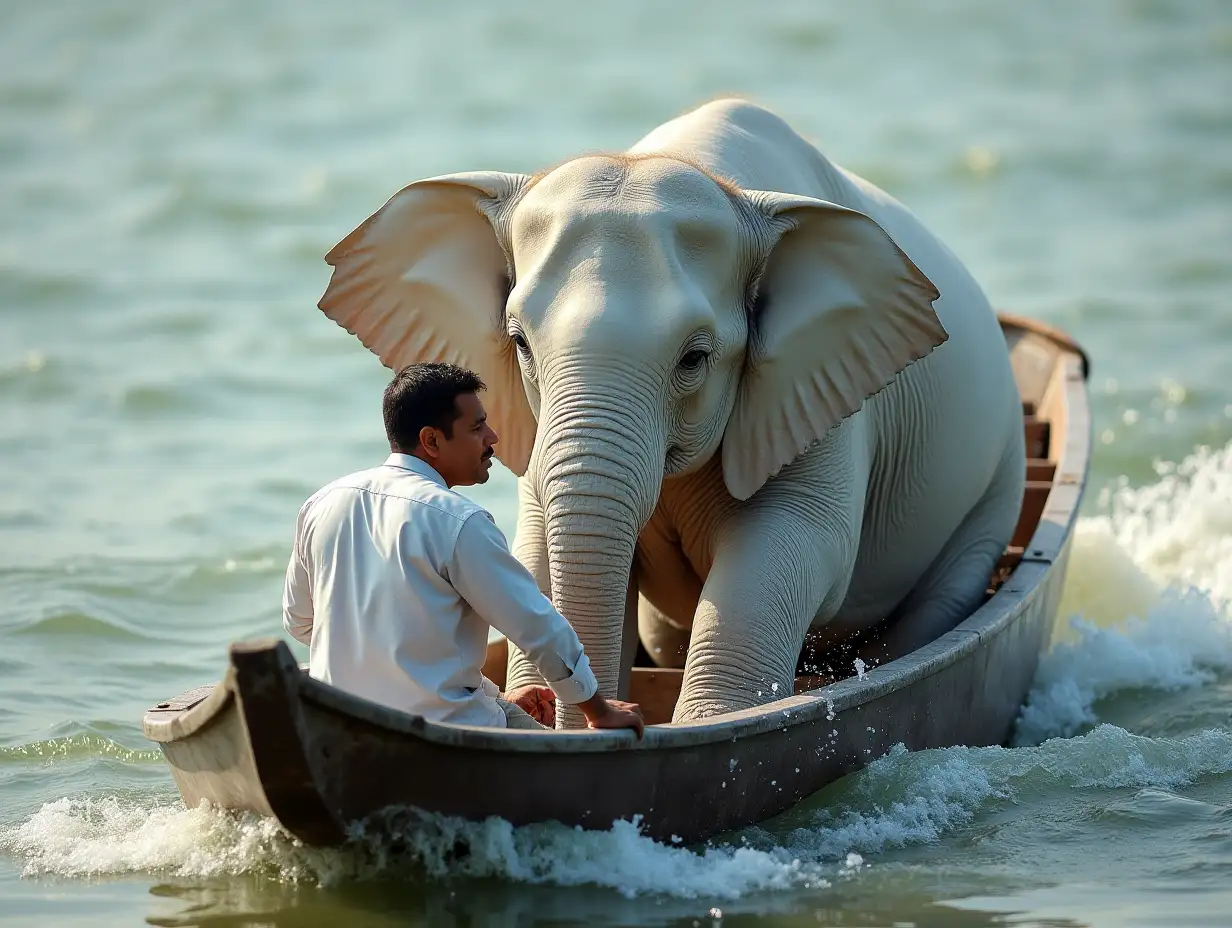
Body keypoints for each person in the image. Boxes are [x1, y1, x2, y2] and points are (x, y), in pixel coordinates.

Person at [281, 361, 644, 736]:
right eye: (477, 427)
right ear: (432, 441)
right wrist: (599, 711)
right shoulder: (459, 521)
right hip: (449, 732)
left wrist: (486, 694)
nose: (492, 437)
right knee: (576, 776)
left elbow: (300, 622)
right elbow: (538, 628)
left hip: (337, 726)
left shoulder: (321, 503)